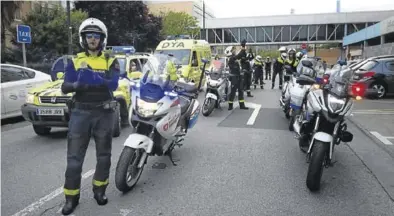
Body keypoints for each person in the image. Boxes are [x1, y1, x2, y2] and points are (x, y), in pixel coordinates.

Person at [60, 18, 120, 215]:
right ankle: (71, 198)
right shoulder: (74, 60)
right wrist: (78, 84)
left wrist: (94, 78)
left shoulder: (111, 59)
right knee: (74, 158)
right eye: (89, 35)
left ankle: (99, 190)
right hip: (80, 112)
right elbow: (64, 87)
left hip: (104, 112)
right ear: (83, 38)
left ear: (102, 39)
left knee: (104, 156)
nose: (92, 39)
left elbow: (113, 85)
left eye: (96, 36)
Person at [225, 39, 248, 110]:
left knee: (241, 91)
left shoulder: (234, 58)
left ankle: (242, 105)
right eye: (233, 50)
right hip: (234, 78)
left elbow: (242, 56)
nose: (234, 51)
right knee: (233, 92)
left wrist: (244, 48)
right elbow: (239, 55)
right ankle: (230, 105)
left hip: (239, 77)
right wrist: (242, 47)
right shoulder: (231, 58)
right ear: (230, 52)